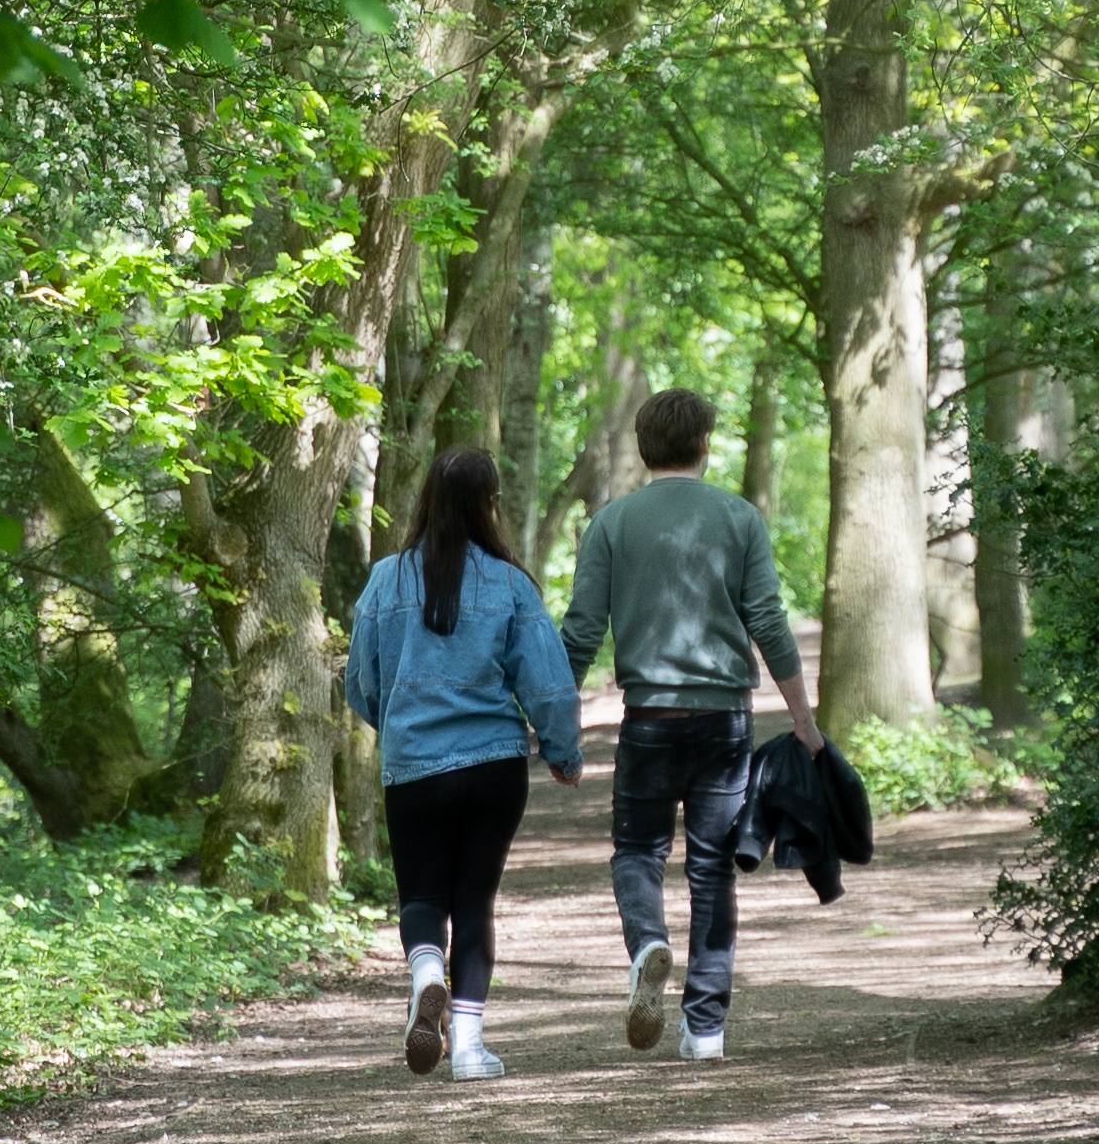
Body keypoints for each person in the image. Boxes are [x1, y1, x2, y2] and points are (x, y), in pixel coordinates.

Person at [561, 383, 820, 1063]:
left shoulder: (612, 523)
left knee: (637, 851)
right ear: (704, 444)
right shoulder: (739, 518)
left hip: (648, 718)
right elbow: (767, 620)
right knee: (712, 871)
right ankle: (704, 1028)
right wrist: (803, 719)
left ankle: (647, 939)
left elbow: (582, 632)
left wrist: (550, 719)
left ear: (644, 449)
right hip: (724, 722)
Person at [344, 446, 582, 1080]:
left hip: (416, 766)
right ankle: (471, 1051)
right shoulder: (510, 583)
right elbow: (549, 684)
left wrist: (396, 725)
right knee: (475, 901)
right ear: (489, 505)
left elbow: (360, 682)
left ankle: (427, 976)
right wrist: (562, 751)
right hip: (493, 767)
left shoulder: (384, 581)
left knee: (422, 896)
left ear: (425, 499)